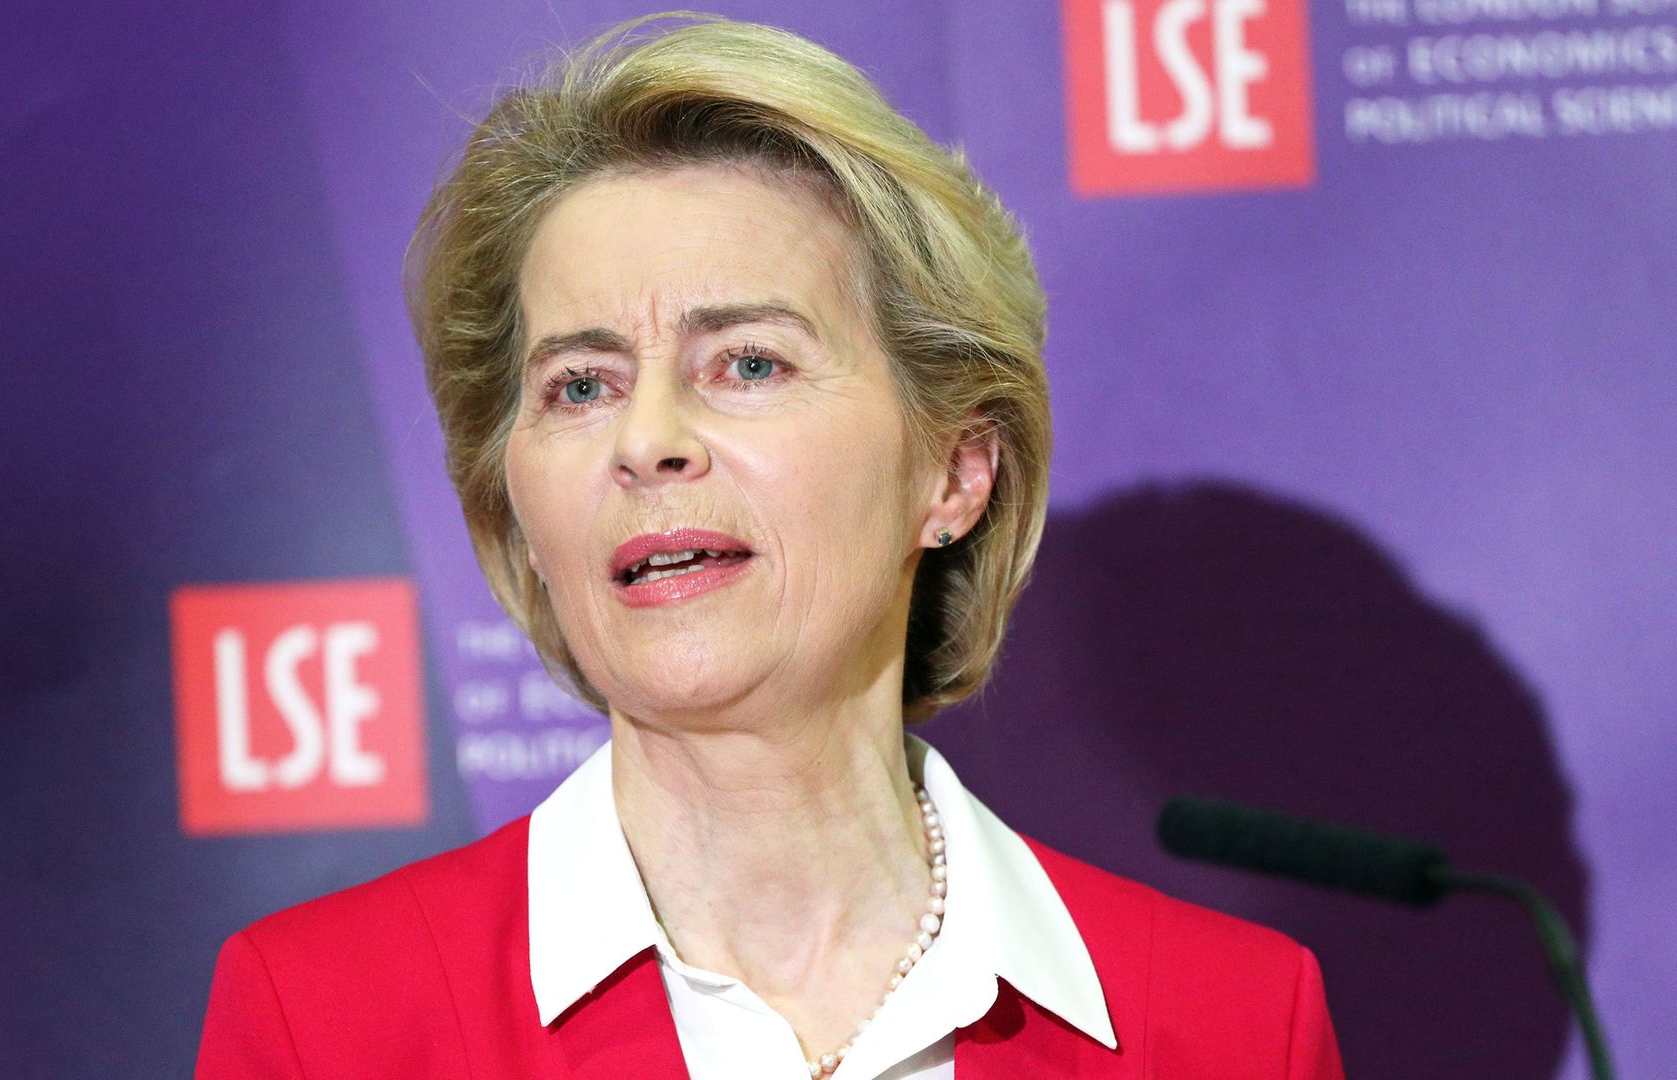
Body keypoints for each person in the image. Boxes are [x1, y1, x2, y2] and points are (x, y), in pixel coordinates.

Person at [194, 13, 1345, 1079]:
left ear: (953, 470)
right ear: (516, 507)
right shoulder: (328, 1018)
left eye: (748, 363)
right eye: (580, 385)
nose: (646, 441)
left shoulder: (1230, 1023)